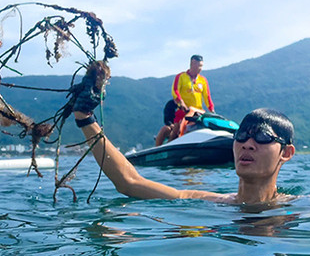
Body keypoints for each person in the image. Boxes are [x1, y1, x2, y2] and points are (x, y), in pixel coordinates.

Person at [70, 76, 295, 204]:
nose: (247, 144)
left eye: (262, 137)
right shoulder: (212, 202)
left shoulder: (302, 208)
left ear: (286, 153)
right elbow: (130, 183)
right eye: (241, 135)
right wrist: (85, 118)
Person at [170, 54, 215, 139]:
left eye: (201, 66)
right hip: (184, 110)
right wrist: (181, 102)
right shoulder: (181, 76)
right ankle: (169, 143)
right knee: (176, 131)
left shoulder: (203, 80)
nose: (200, 68)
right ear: (192, 64)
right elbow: (175, 90)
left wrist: (211, 110)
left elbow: (207, 96)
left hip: (198, 112)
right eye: (198, 66)